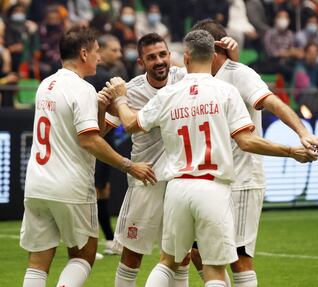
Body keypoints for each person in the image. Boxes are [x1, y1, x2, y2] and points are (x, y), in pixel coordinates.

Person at [105, 29, 318, 287]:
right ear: (215, 56)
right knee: (215, 270)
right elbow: (246, 141)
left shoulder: (170, 93)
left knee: (168, 261)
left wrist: (119, 100)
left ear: (184, 58)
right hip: (212, 187)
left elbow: (129, 123)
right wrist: (291, 151)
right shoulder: (226, 91)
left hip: (177, 187)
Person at [190, 19, 318, 287]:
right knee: (196, 252)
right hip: (212, 180)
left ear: (214, 49)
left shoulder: (240, 73)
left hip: (243, 179)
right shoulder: (200, 80)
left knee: (239, 259)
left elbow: (274, 103)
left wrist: (303, 133)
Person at [19, 26, 156, 287]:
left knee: (38, 262)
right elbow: (88, 140)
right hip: (69, 186)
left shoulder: (45, 85)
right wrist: (129, 165)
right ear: (83, 53)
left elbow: (84, 133)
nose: (99, 57)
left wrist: (101, 107)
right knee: (84, 256)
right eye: (96, 52)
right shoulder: (81, 89)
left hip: (37, 184)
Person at [103, 32, 240, 287]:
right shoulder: (131, 90)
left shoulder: (182, 78)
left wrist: (232, 52)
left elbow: (213, 69)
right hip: (147, 180)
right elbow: (99, 132)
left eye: (163, 54)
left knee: (182, 256)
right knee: (132, 255)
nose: (159, 61)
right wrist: (105, 107)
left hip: (178, 180)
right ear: (142, 62)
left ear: (173, 56)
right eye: (151, 57)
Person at [85, 34, 124, 258]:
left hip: (101, 137)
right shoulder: (103, 78)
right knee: (95, 190)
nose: (118, 55)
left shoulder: (105, 75)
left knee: (101, 190)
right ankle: (97, 239)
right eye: (114, 50)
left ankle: (108, 238)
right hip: (97, 137)